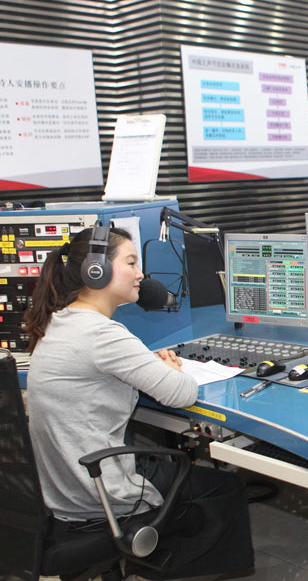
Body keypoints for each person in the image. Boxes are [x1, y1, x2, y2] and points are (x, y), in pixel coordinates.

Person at [24, 226, 254, 579]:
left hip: (63, 490)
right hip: (100, 494)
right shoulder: (101, 334)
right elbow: (181, 393)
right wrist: (173, 370)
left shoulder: (60, 321)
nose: (141, 274)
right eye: (131, 262)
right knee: (224, 487)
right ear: (97, 270)